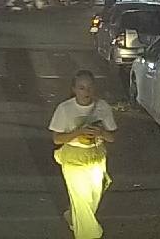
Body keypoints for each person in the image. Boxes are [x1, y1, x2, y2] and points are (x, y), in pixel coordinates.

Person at [49, 70, 116, 239]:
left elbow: (112, 137)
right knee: (81, 200)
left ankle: (72, 216)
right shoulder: (65, 109)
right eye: (82, 88)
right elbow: (57, 139)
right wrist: (78, 132)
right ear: (74, 89)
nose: (86, 92)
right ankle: (89, 235)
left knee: (92, 198)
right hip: (73, 159)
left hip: (96, 157)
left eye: (90, 87)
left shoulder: (103, 107)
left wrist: (101, 132)